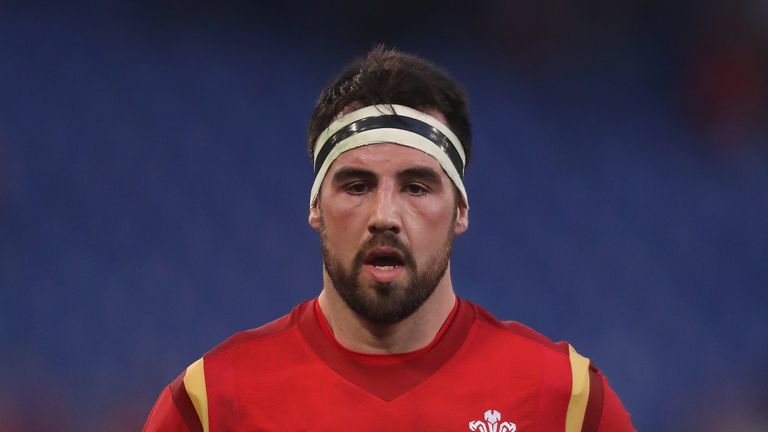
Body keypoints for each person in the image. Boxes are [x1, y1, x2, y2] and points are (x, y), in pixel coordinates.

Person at [143, 46, 636, 431]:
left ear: (460, 209)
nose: (384, 215)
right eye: (356, 186)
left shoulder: (564, 399)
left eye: (416, 186)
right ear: (316, 207)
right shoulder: (214, 402)